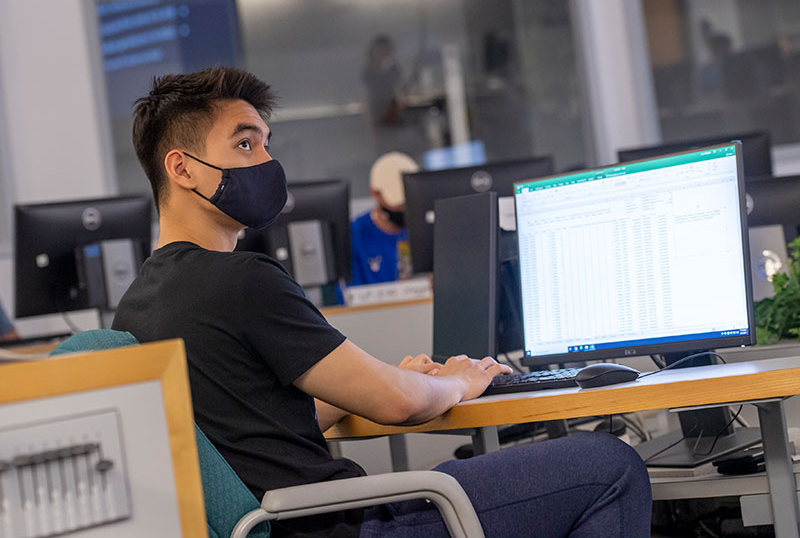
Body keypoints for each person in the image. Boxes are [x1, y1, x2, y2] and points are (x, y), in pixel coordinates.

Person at [112, 67, 651, 538]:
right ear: (181, 169)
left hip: (279, 524)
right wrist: (456, 382)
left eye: (267, 144)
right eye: (246, 145)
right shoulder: (242, 280)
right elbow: (398, 406)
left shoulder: (138, 306)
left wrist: (363, 387)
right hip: (346, 526)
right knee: (611, 463)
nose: (268, 162)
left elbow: (241, 430)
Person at [350, 151, 419, 286]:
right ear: (375, 194)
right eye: (399, 202)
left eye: (409, 201)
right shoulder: (354, 234)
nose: (404, 208)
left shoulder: (428, 230)